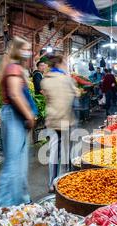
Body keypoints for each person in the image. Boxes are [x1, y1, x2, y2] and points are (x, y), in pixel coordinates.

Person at [0, 37, 37, 207]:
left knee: (19, 161)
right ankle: (0, 207)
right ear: (18, 50)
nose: (29, 52)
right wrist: (29, 116)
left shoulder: (15, 67)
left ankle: (22, 200)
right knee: (12, 162)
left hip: (14, 115)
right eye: (26, 48)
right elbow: (14, 94)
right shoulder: (13, 68)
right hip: (13, 115)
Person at [41, 55, 78, 192]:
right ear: (61, 64)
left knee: (54, 152)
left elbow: (47, 97)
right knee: (65, 152)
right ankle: (63, 182)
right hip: (65, 120)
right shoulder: (66, 79)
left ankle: (52, 182)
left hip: (52, 120)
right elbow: (76, 94)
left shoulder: (46, 80)